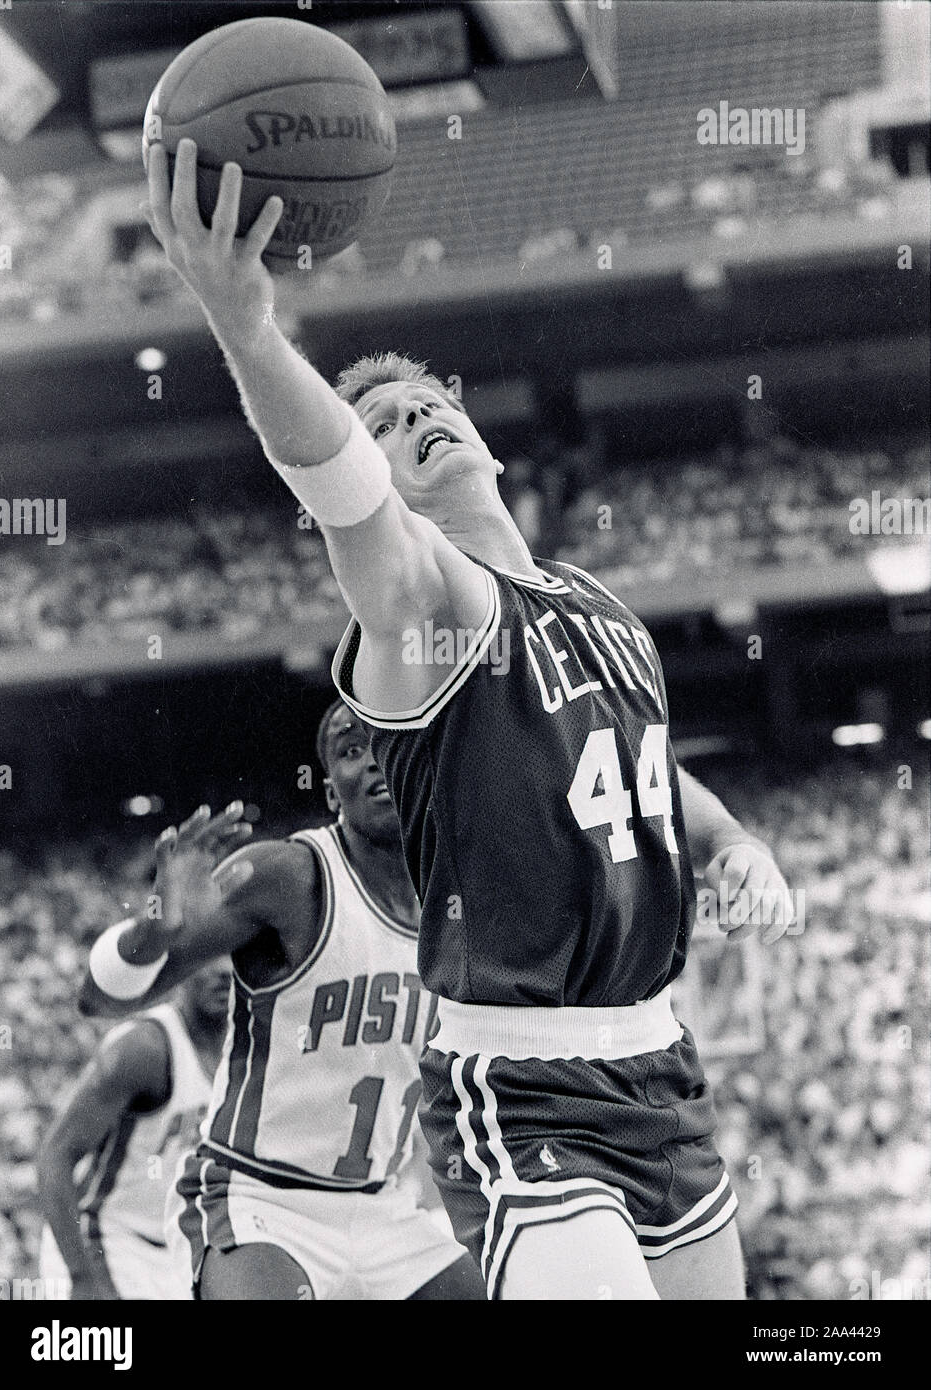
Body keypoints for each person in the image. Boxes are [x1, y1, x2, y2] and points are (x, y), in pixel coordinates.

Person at [138, 137, 795, 1299]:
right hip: (521, 1082)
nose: (414, 416)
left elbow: (640, 770)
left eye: (428, 400)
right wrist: (247, 327)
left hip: (657, 1062)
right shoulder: (424, 603)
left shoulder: (598, 606)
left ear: (483, 435)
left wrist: (731, 841)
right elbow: (334, 479)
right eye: (385, 420)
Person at [80, 701, 484, 1301]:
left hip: (382, 1206)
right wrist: (154, 927)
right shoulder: (288, 876)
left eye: (389, 744)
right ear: (330, 791)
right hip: (261, 1199)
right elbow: (99, 1000)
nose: (373, 763)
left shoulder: (460, 904)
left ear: (424, 764)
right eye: (351, 751)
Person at [39, 963, 229, 1300]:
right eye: (212, 957)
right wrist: (80, 1276)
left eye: (236, 954)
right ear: (183, 967)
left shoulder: (251, 1044)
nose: (225, 971)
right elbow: (55, 1155)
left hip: (180, 1249)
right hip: (106, 1237)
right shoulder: (144, 1047)